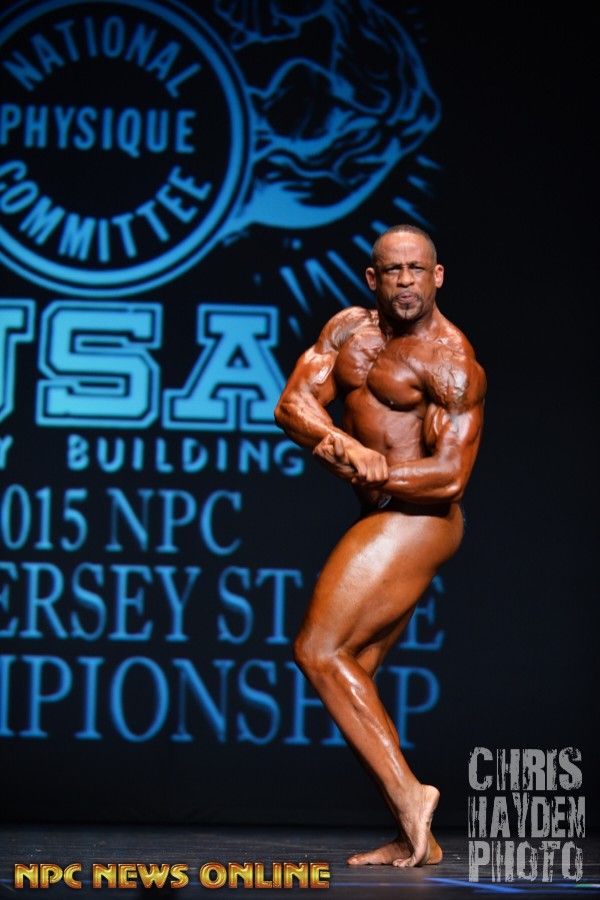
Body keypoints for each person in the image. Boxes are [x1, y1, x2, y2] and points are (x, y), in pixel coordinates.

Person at [274, 224, 486, 868]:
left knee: (317, 649)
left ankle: (411, 794)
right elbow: (292, 406)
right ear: (373, 278)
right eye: (392, 270)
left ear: (437, 276)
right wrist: (343, 445)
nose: (404, 281)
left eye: (416, 269)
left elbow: (450, 476)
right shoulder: (348, 330)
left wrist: (378, 470)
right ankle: (414, 833)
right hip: (385, 510)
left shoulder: (452, 360)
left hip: (423, 516)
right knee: (352, 675)